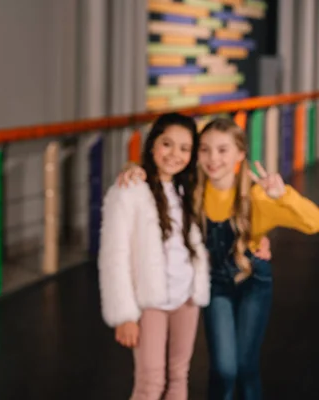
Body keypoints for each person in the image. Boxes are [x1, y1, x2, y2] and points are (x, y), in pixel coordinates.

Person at [116, 117, 319, 399]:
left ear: (240, 153)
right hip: (215, 286)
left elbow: (314, 222)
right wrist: (133, 169)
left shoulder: (258, 196)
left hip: (254, 284)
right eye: (205, 150)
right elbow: (158, 180)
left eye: (223, 150)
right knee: (223, 369)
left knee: (246, 366)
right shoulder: (191, 191)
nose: (213, 158)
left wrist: (283, 195)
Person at [98, 112, 210, 400]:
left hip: (186, 297)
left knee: (178, 376)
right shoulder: (128, 190)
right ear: (152, 145)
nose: (175, 154)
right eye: (167, 144)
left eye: (185, 148)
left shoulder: (187, 188)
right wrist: (124, 315)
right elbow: (114, 257)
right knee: (150, 382)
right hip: (150, 302)